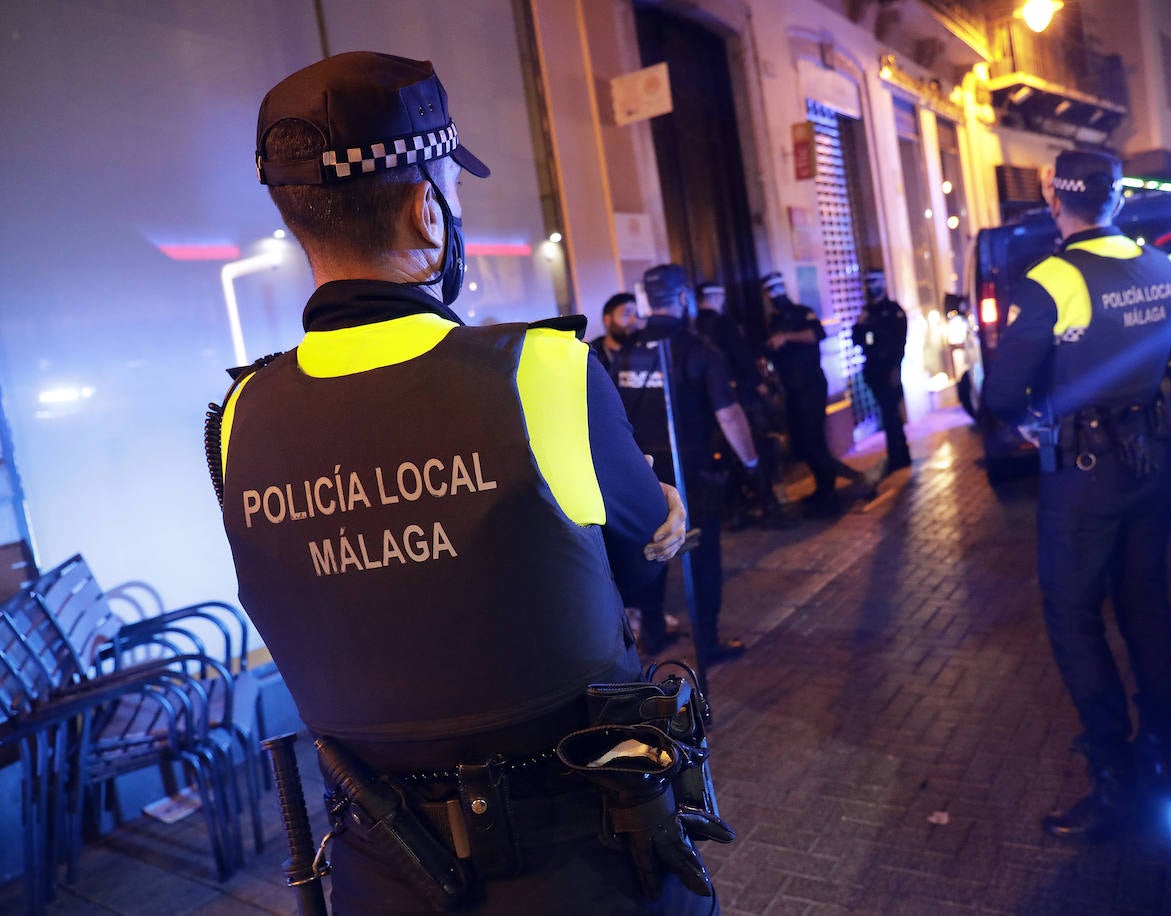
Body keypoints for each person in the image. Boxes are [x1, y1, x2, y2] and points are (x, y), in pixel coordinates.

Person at [208, 51, 726, 914]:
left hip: (383, 875)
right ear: (426, 208)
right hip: (595, 863)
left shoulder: (238, 416)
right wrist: (661, 511)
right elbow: (641, 564)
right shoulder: (545, 371)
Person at [982, 150, 1171, 840]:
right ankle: (1166, 755)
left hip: (1084, 473)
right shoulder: (1165, 265)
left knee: (1073, 613)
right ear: (1116, 196)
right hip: (1152, 461)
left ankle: (1113, 776)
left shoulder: (1054, 277)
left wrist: (1036, 416)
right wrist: (1159, 379)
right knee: (1145, 600)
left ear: (1051, 193)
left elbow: (1001, 393)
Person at [613, 265, 760, 662]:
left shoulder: (626, 350)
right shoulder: (700, 350)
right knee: (703, 555)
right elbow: (729, 415)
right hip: (691, 472)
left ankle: (655, 632)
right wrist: (752, 460)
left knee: (655, 548)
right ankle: (707, 641)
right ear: (682, 298)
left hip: (642, 472)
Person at [761, 272, 870, 516]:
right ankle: (822, 491)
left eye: (777, 289)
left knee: (814, 439)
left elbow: (816, 335)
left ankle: (828, 494)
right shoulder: (773, 320)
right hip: (791, 389)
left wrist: (786, 338)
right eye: (770, 291)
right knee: (803, 441)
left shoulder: (802, 313)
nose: (774, 295)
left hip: (810, 386)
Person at [694, 283, 784, 527]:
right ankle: (767, 504)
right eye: (721, 295)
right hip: (737, 400)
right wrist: (760, 386)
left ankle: (736, 509)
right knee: (755, 448)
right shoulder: (724, 324)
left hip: (707, 407)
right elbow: (743, 359)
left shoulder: (692, 326)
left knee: (723, 457)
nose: (723, 299)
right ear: (712, 296)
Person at [853, 269, 911, 473]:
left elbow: (899, 342)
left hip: (890, 368)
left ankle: (899, 455)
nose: (871, 286)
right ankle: (897, 454)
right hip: (874, 370)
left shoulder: (893, 311)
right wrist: (859, 324)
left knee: (891, 413)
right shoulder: (868, 313)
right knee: (887, 413)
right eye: (868, 282)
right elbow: (857, 341)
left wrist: (896, 367)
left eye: (875, 281)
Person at [590, 291, 640, 374]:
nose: (633, 321)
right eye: (626, 314)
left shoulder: (645, 350)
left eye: (636, 315)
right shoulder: (590, 356)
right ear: (607, 320)